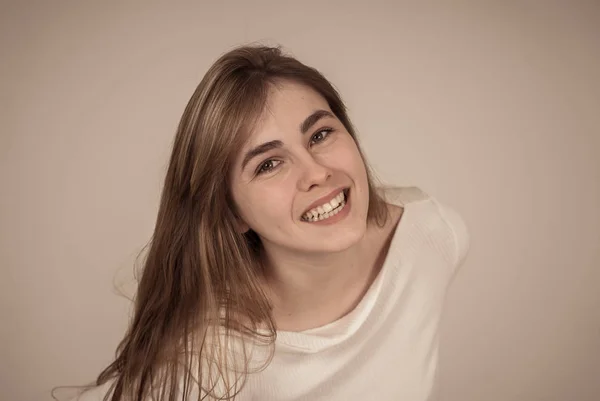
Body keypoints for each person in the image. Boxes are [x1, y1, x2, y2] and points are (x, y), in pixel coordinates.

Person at [73, 44, 469, 401]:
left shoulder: (433, 236)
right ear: (231, 213)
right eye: (269, 164)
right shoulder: (201, 363)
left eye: (320, 134)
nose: (315, 172)